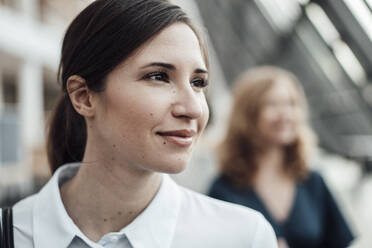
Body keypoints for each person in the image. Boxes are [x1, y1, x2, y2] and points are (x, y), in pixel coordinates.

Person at [1, 1, 278, 247]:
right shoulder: (12, 233)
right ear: (84, 97)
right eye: (158, 76)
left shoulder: (243, 237)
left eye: (198, 83)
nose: (193, 108)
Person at [208, 66, 355, 248]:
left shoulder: (312, 182)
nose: (285, 113)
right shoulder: (223, 191)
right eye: (272, 104)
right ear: (248, 115)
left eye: (291, 104)